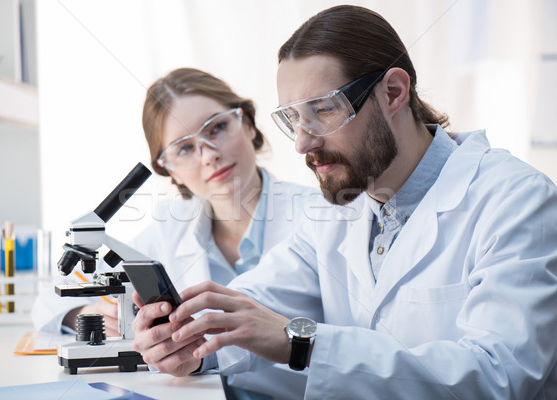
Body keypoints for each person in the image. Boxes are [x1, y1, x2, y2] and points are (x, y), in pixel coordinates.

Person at [130, 5, 557, 399]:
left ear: (392, 92)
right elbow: (256, 305)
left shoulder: (516, 200)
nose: (301, 142)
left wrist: (302, 342)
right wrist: (192, 341)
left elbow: (500, 375)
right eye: (293, 118)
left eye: (323, 110)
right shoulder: (338, 211)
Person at [32, 68, 317, 399]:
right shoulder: (171, 227)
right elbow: (48, 300)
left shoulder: (318, 215)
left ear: (248, 124)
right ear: (169, 170)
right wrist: (92, 315)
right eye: (184, 148)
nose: (209, 154)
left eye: (218, 127)